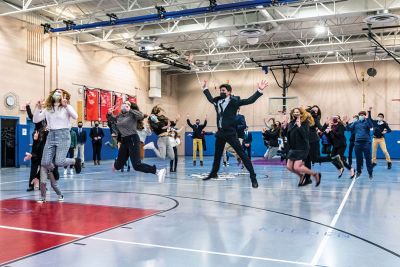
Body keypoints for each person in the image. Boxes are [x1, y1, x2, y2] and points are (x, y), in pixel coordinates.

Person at [201, 80, 268, 188]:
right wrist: (205, 88)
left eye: (223, 90)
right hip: (220, 133)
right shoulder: (217, 101)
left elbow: (249, 100)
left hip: (231, 133)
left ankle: (253, 177)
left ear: (229, 92)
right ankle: (213, 173)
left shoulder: (235, 101)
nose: (221, 92)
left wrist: (259, 90)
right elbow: (209, 98)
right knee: (217, 155)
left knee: (242, 154)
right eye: (220, 90)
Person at [33, 89, 81, 203]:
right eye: (56, 91)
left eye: (60, 92)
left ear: (63, 95)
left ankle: (75, 161)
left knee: (59, 161)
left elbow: (75, 116)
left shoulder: (65, 107)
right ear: (52, 95)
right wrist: (38, 107)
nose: (57, 93)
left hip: (64, 135)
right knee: (44, 162)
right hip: (51, 135)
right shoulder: (48, 109)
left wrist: (67, 105)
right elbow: (35, 119)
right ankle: (44, 193)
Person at [107, 101, 167, 182]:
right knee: (117, 166)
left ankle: (158, 171)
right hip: (124, 141)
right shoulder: (119, 116)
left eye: (127, 104)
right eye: (124, 104)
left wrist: (130, 110)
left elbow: (141, 115)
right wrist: (109, 114)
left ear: (130, 107)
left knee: (136, 165)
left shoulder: (132, 115)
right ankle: (117, 162)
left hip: (133, 139)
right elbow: (112, 120)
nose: (125, 105)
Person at [286, 107, 321, 187]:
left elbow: (305, 136)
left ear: (301, 113)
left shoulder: (305, 123)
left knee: (297, 167)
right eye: (294, 112)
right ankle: (301, 176)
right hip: (293, 148)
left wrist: (299, 126)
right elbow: (289, 134)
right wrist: (285, 127)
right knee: (289, 167)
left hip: (302, 147)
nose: (296, 113)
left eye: (298, 112)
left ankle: (315, 174)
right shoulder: (291, 122)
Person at [344, 111, 374, 179]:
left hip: (366, 142)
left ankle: (370, 173)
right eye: (360, 115)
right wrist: (346, 123)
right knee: (358, 159)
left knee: (368, 158)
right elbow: (348, 129)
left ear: (364, 116)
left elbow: (371, 126)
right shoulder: (356, 123)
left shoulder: (367, 122)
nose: (361, 116)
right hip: (357, 143)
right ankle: (359, 172)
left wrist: (368, 119)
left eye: (363, 115)